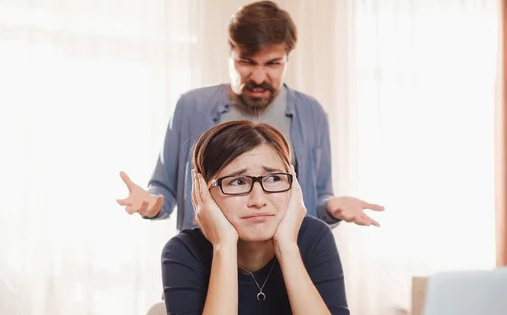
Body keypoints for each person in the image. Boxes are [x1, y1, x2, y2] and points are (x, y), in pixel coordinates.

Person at [117, 1, 384, 231]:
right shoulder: (190, 107)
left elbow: (319, 197)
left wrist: (332, 207)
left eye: (272, 64)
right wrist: (150, 204)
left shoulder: (311, 113)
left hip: (285, 270)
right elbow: (163, 190)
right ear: (230, 54)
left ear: (287, 59)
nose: (258, 77)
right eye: (246, 62)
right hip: (205, 265)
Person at [160, 120, 366, 315]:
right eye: (237, 182)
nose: (258, 199)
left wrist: (288, 248)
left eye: (273, 179)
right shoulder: (184, 251)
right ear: (203, 194)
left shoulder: (313, 238)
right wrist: (223, 246)